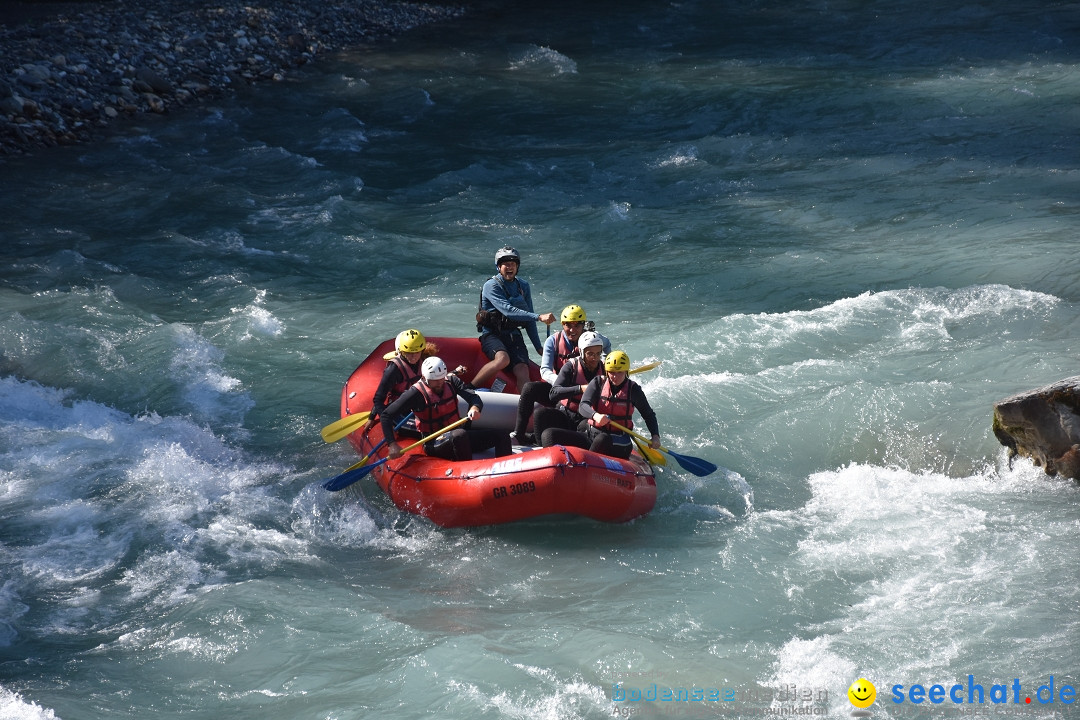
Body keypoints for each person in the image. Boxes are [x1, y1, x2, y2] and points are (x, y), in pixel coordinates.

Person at [511, 304, 611, 444]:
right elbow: (545, 370)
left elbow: (607, 344)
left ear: (584, 325)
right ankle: (519, 433)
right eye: (567, 325)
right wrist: (564, 382)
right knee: (529, 388)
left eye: (577, 325)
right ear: (562, 325)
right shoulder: (553, 341)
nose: (572, 330)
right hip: (561, 389)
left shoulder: (593, 340)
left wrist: (606, 361)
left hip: (586, 396)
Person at [382, 356, 512, 462]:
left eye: (441, 379)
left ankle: (507, 468)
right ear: (425, 378)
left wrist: (475, 408)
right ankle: (466, 472)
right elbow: (386, 415)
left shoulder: (451, 381)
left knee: (502, 435)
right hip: (434, 442)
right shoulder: (415, 393)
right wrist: (392, 444)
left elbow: (474, 398)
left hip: (458, 436)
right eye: (435, 380)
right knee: (460, 435)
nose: (439, 383)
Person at [472, 245, 556, 391]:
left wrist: (538, 347)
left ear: (517, 267)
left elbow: (528, 319)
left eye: (513, 264)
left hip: (513, 335)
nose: (509, 267)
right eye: (505, 264)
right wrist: (539, 317)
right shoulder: (491, 286)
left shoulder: (523, 286)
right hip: (492, 335)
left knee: (523, 369)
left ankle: (524, 406)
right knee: (503, 359)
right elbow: (509, 311)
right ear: (498, 267)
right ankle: (469, 388)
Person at [578, 350, 661, 460]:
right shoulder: (598, 382)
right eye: (612, 372)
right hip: (594, 433)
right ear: (607, 372)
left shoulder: (634, 390)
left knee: (602, 439)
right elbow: (583, 406)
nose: (615, 377)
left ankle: (586, 465)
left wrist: (655, 436)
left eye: (620, 372)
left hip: (620, 440)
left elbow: (648, 415)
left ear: (626, 371)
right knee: (550, 434)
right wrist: (595, 415)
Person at [534, 330, 608, 449]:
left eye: (598, 354)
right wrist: (580, 388)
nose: (595, 358)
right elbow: (553, 394)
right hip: (567, 414)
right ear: (582, 353)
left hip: (586, 419)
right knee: (540, 414)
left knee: (587, 428)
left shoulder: (605, 369)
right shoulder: (570, 366)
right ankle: (540, 451)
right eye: (590, 354)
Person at [368, 328, 427, 437]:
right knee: (427, 431)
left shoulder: (425, 360)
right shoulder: (394, 369)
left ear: (422, 350)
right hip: (400, 411)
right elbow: (378, 399)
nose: (413, 356)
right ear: (402, 351)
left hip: (419, 406)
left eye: (416, 352)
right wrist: (375, 418)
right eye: (409, 353)